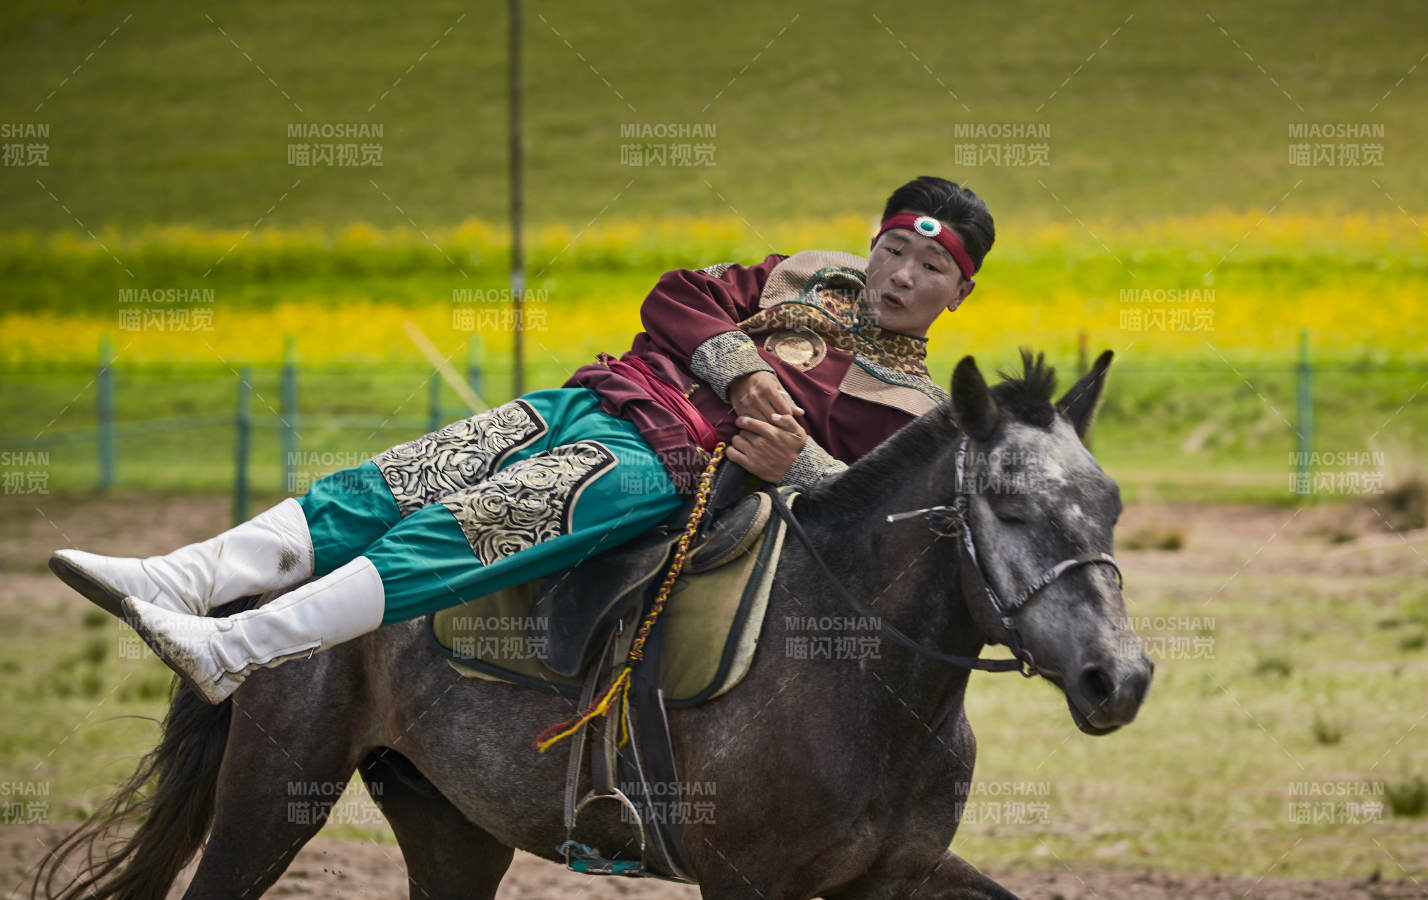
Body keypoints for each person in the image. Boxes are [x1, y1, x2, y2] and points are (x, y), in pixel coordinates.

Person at [51, 176, 996, 703]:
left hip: (664, 467)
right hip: (602, 396)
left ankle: (237, 648)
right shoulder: (806, 272)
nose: (901, 274)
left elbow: (867, 519)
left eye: (931, 267)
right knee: (385, 484)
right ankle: (180, 578)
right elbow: (676, 296)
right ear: (871, 242)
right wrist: (746, 372)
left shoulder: (910, 408)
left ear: (959, 294)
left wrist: (800, 467)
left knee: (457, 531)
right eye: (894, 249)